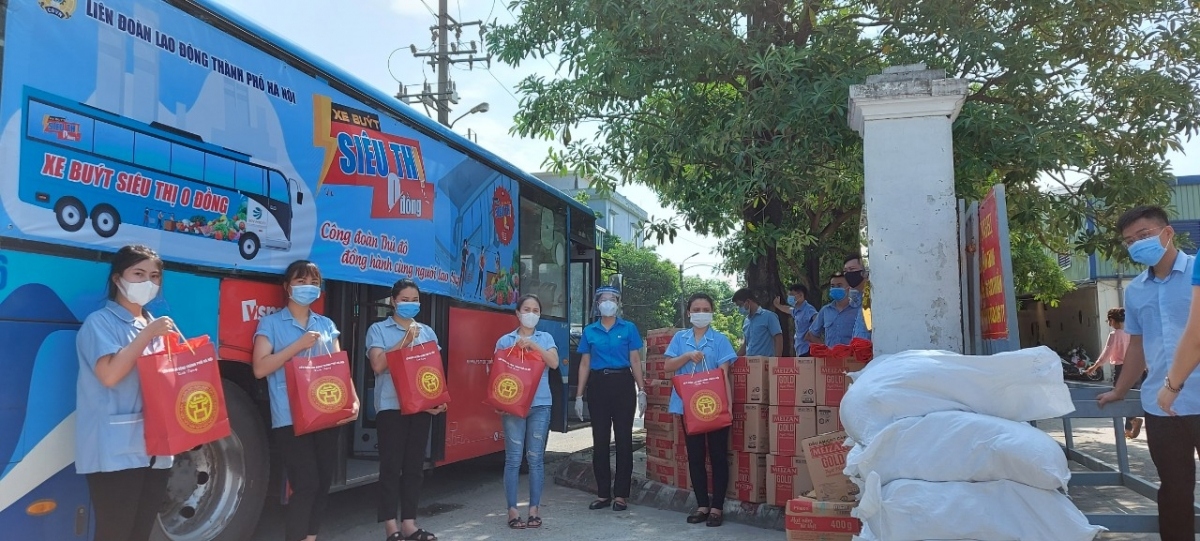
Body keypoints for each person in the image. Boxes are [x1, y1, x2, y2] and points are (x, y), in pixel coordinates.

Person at [1097, 205, 1196, 541]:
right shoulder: (1136, 290)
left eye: (1143, 235)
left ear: (1167, 232)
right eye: (1129, 241)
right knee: (1174, 490)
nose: (1137, 244)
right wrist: (1120, 392)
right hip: (1161, 407)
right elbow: (1137, 347)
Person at [253, 260, 359, 541]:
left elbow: (338, 367)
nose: (308, 288)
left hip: (326, 412)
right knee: (306, 484)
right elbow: (260, 367)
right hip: (289, 416)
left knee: (323, 481)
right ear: (287, 287)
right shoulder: (271, 323)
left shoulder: (326, 324)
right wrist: (297, 346)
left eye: (313, 282)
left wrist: (353, 399)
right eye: (301, 282)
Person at [75, 244, 175, 540]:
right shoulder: (100, 323)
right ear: (118, 279)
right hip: (115, 450)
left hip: (156, 449)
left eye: (155, 276)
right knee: (115, 532)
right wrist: (147, 335)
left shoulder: (154, 326)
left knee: (140, 532)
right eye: (139, 274)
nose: (148, 282)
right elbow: (109, 375)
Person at [366, 279, 446, 541]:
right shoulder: (378, 329)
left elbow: (434, 370)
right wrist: (404, 341)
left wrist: (438, 399)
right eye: (404, 300)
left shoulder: (428, 332)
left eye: (414, 300)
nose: (410, 305)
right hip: (391, 406)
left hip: (421, 407)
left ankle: (410, 523)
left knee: (414, 466)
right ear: (393, 301)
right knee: (391, 466)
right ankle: (391, 526)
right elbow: (377, 365)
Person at [663, 293, 737, 527]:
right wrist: (686, 356)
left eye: (706, 309)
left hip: (714, 406)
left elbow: (724, 374)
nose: (701, 313)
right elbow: (667, 367)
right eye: (697, 309)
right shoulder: (679, 338)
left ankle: (717, 508)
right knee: (695, 456)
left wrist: (729, 407)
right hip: (688, 407)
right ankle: (702, 505)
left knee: (717, 456)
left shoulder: (720, 340)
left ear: (712, 313)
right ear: (689, 313)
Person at [574, 285, 647, 511]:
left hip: (623, 383)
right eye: (604, 299)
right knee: (601, 441)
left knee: (624, 440)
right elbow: (585, 363)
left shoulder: (628, 328)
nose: (608, 302)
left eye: (612, 299)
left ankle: (621, 495)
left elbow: (635, 360)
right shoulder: (590, 331)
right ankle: (603, 493)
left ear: (618, 303)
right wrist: (578, 395)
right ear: (597, 304)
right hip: (598, 385)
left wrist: (641, 389)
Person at [493, 294, 560, 529]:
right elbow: (498, 375)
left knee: (535, 459)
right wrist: (500, 403)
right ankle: (512, 510)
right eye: (527, 309)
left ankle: (534, 510)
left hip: (540, 404)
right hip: (513, 405)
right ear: (518, 313)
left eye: (536, 310)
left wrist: (533, 345)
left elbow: (554, 363)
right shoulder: (504, 341)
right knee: (513, 458)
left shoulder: (546, 338)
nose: (531, 314)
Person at [1086, 308, 1141, 438]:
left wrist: (1094, 367)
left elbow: (1106, 354)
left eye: (1109, 321)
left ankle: (1132, 422)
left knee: (1119, 397)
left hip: (1122, 369)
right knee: (1132, 397)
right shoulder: (1132, 333)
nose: (1109, 324)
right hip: (1137, 368)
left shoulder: (1114, 335)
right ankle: (1128, 429)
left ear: (1112, 320)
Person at [805, 272, 860, 347]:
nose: (835, 288)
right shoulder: (825, 310)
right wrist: (826, 350)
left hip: (852, 357)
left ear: (849, 288)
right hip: (831, 357)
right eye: (833, 286)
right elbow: (810, 335)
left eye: (839, 285)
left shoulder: (858, 310)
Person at [732, 288, 783, 356]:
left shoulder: (769, 316)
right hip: (750, 363)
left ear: (748, 301)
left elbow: (778, 338)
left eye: (740, 305)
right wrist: (734, 358)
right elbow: (745, 344)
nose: (739, 308)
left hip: (767, 363)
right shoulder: (746, 321)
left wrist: (777, 361)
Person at [773, 284, 817, 356]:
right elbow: (787, 309)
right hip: (800, 349)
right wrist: (777, 305)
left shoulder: (808, 309)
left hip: (808, 349)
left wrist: (810, 333)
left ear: (800, 295)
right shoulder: (796, 311)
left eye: (792, 295)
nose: (789, 297)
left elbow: (817, 320)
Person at [843, 253, 872, 341]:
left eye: (852, 269)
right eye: (846, 271)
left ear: (865, 271)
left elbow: (869, 328)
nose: (848, 274)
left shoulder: (870, 297)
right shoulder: (861, 298)